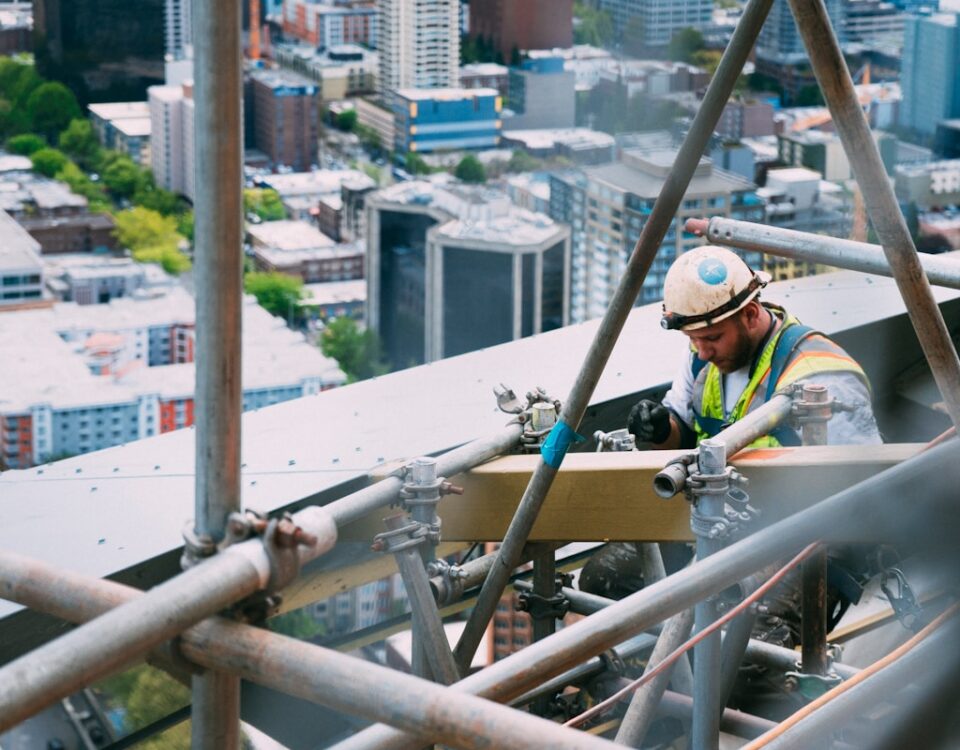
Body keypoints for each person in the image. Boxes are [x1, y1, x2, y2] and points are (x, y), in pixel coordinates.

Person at [628, 244, 882, 450]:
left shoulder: (821, 376)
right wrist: (662, 431)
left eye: (713, 338)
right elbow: (684, 433)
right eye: (693, 339)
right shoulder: (700, 354)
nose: (703, 352)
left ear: (750, 315)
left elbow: (858, 482)